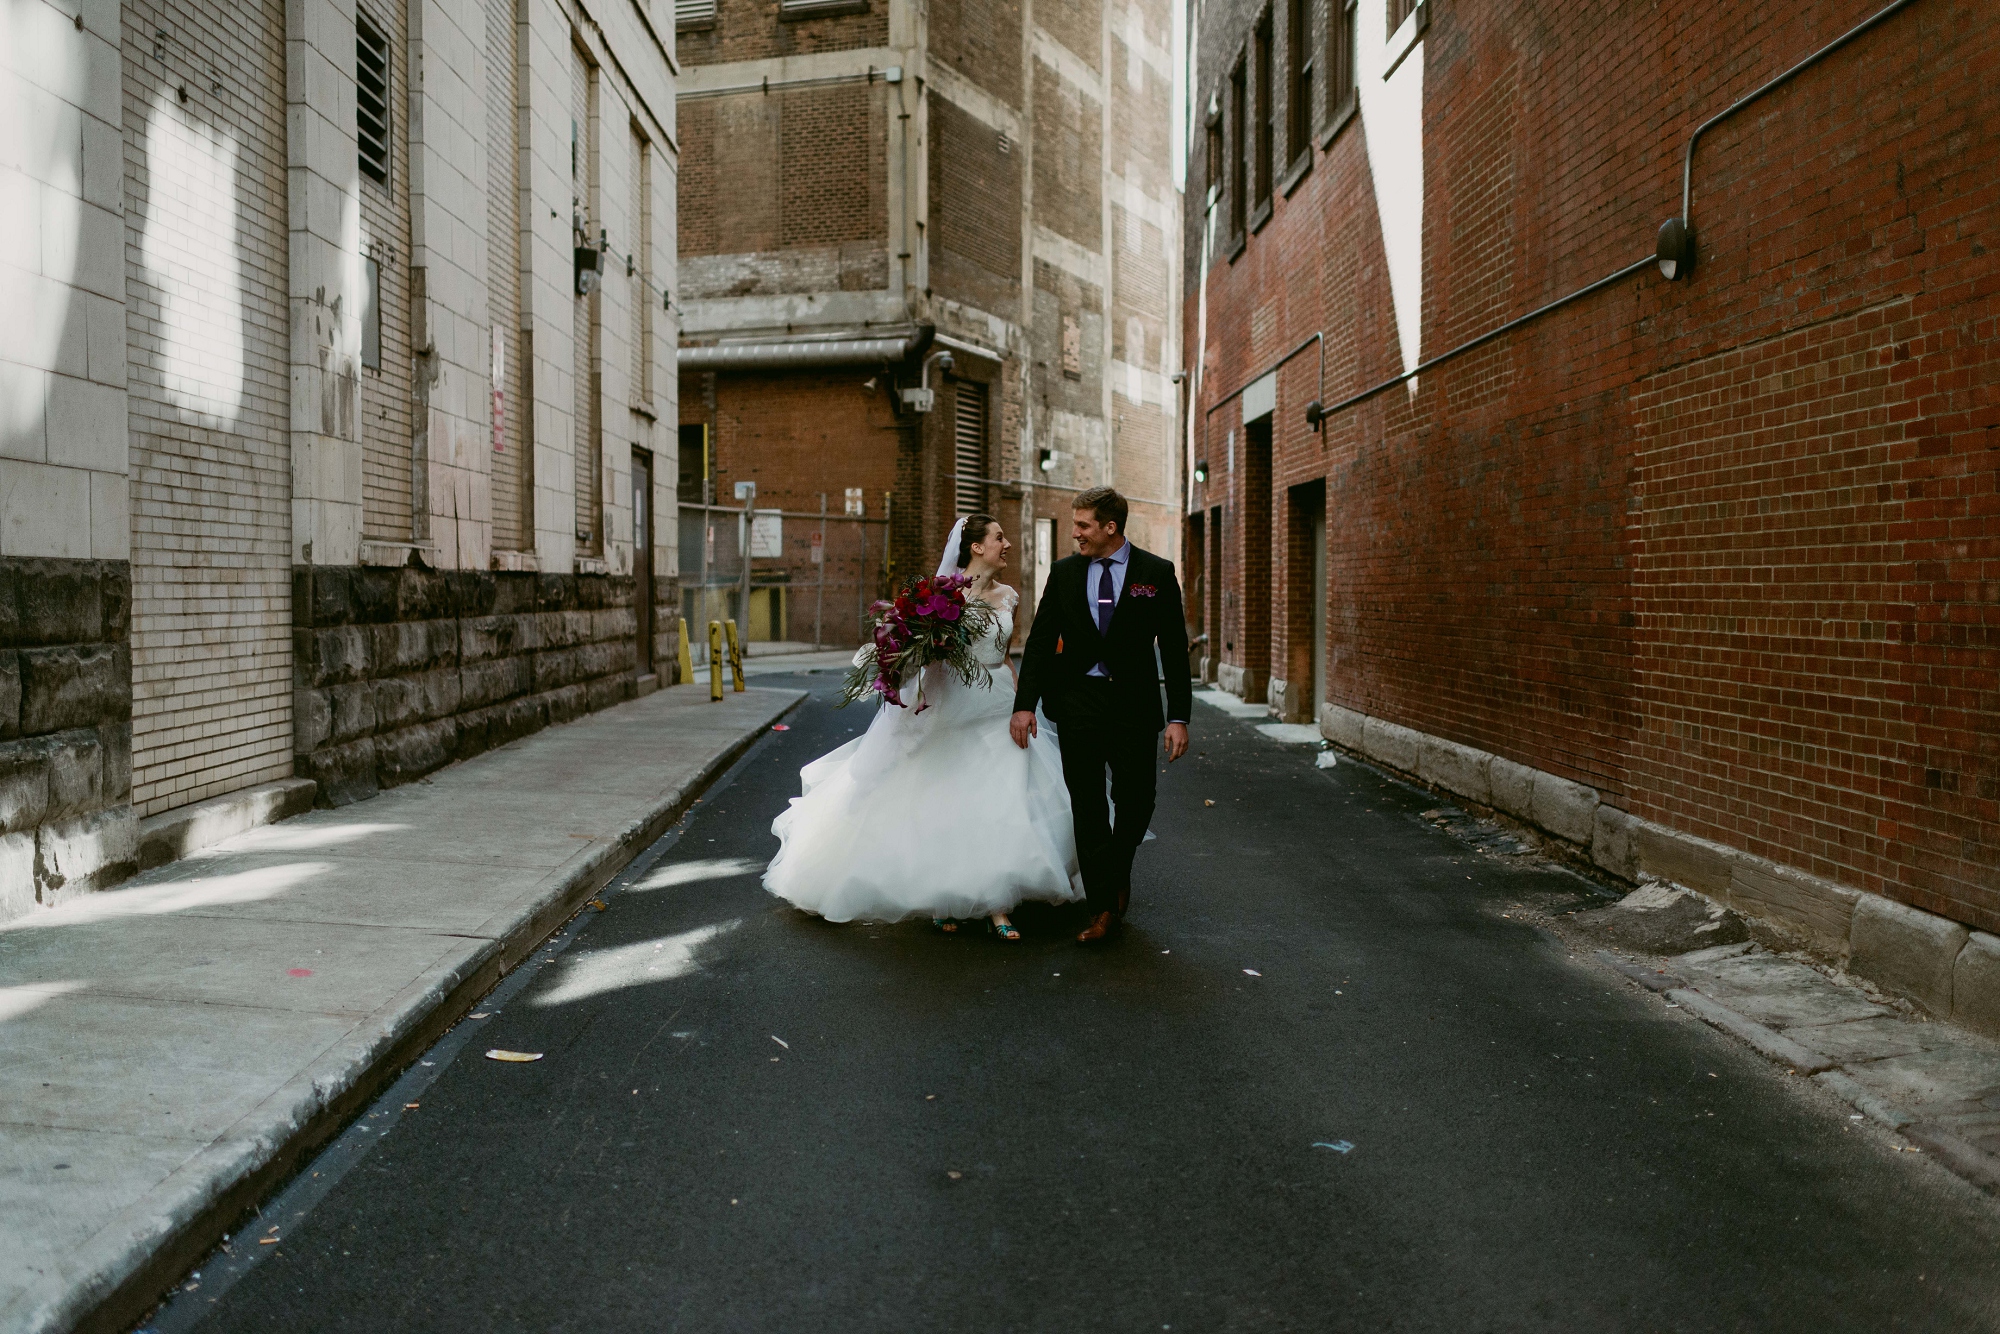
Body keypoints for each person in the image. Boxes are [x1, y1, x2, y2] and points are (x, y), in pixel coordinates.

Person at [762, 515, 1082, 936]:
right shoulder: (940, 596)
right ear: (976, 548)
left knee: (1002, 795)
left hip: (998, 698)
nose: (1007, 545)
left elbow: (1005, 655)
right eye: (998, 538)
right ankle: (949, 896)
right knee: (950, 795)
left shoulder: (1010, 596)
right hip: (954, 701)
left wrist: (1023, 704)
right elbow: (922, 654)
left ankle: (997, 903)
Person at [1011, 487, 1191, 943]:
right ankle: (1102, 910)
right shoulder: (1065, 572)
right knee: (1088, 806)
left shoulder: (1156, 572)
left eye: (1084, 526)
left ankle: (1117, 867)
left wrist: (1178, 717)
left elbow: (1173, 648)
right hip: (1077, 704)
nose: (1075, 534)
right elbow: (1039, 640)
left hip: (1134, 706)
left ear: (1111, 528)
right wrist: (1024, 705)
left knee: (1137, 801)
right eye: (1075, 525)